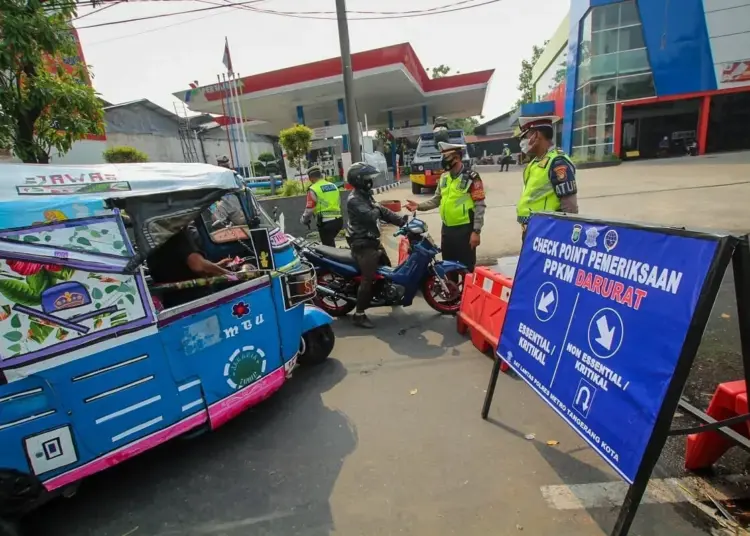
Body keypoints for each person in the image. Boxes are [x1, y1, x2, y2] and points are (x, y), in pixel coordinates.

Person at [405, 141, 486, 272]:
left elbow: (479, 205)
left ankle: (465, 292)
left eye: (447, 157)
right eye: (443, 157)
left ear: (457, 158)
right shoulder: (444, 178)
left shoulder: (472, 177)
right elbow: (436, 200)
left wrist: (476, 232)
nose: (444, 160)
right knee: (448, 267)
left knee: (466, 269)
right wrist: (419, 206)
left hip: (465, 230)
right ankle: (453, 292)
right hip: (447, 230)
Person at [346, 162, 406, 328]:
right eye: (367, 178)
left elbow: (383, 212)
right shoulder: (354, 200)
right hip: (362, 244)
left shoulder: (365, 195)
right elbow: (372, 216)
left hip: (372, 241)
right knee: (368, 277)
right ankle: (359, 314)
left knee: (387, 267)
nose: (370, 181)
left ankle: (387, 295)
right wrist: (379, 209)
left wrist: (403, 222)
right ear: (359, 180)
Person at [515, 116, 578, 242]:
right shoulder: (535, 163)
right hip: (532, 230)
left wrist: (566, 237)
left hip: (548, 233)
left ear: (537, 135)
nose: (523, 141)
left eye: (525, 136)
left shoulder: (558, 162)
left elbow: (569, 206)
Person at [146, 226, 231, 308]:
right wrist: (230, 274)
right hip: (196, 301)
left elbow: (175, 267)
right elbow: (199, 266)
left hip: (173, 303)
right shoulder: (177, 234)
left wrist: (216, 266)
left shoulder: (150, 240)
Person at [300, 165, 344, 247]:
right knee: (331, 245)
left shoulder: (313, 189)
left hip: (326, 223)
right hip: (339, 221)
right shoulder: (333, 186)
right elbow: (339, 201)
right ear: (321, 175)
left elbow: (309, 210)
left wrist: (304, 220)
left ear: (311, 178)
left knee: (328, 250)